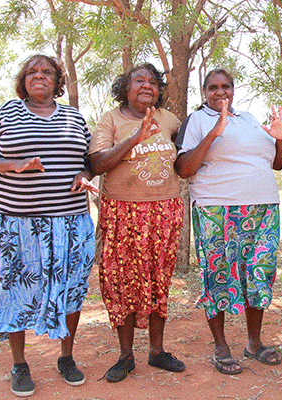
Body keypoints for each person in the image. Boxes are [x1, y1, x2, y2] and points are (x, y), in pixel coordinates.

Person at [0, 55, 97, 397]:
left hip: (71, 223)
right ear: (23, 80)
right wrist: (16, 164)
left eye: (46, 72)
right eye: (32, 71)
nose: (38, 76)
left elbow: (88, 161)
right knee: (15, 293)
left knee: (71, 289)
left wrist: (85, 176)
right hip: (18, 226)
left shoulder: (74, 117)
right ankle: (19, 364)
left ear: (58, 81)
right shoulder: (4, 115)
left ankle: (66, 358)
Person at [175, 68, 282, 375]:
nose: (220, 92)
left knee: (258, 273)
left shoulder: (249, 119)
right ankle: (221, 347)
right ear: (204, 91)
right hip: (217, 209)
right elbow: (184, 169)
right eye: (213, 87)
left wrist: (280, 139)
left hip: (262, 209)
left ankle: (254, 343)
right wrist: (214, 132)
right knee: (219, 274)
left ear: (234, 90)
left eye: (225, 86)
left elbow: (277, 163)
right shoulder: (197, 121)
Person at [88, 63, 186, 382]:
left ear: (159, 90)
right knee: (121, 285)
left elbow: (186, 158)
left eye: (153, 82)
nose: (147, 85)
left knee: (159, 282)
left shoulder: (170, 120)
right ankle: (125, 355)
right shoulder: (111, 120)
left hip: (164, 212)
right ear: (125, 88)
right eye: (138, 80)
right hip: (122, 212)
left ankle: (157, 352)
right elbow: (98, 163)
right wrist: (135, 138)